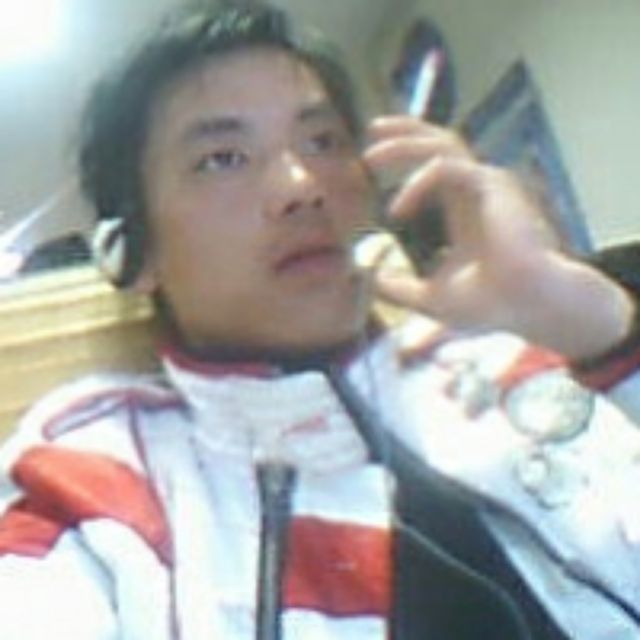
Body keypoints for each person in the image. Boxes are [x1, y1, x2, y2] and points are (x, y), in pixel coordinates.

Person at [0, 3, 638, 639]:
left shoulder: (497, 367)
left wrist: (598, 327)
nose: (302, 185)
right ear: (132, 252)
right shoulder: (92, 476)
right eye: (223, 158)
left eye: (323, 141)